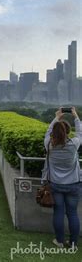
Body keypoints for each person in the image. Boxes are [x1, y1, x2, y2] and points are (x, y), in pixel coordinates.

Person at [42, 107, 81, 249]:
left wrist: (56, 117)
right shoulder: (74, 144)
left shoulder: (49, 145)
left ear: (54, 133)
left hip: (56, 184)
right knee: (72, 213)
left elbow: (47, 132)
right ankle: (73, 244)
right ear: (67, 132)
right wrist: (75, 116)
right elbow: (80, 132)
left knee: (58, 212)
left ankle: (59, 241)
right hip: (73, 184)